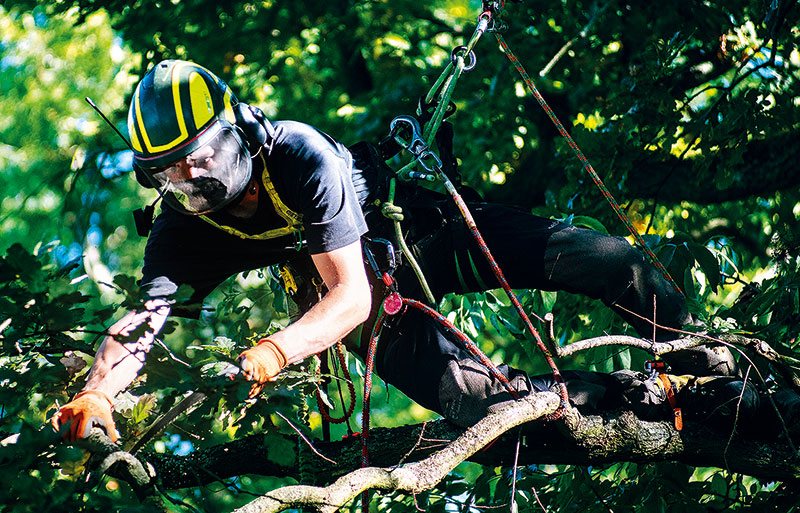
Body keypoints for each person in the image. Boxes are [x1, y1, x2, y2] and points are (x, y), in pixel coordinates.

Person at [51, 59, 714, 442]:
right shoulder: (181, 233)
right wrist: (98, 392)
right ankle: (638, 403)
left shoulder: (298, 155)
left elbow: (350, 292)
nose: (182, 182)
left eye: (190, 160)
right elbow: (143, 323)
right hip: (372, 316)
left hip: (421, 234)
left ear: (231, 135)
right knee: (489, 415)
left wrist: (273, 351)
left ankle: (712, 375)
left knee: (615, 263)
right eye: (161, 172)